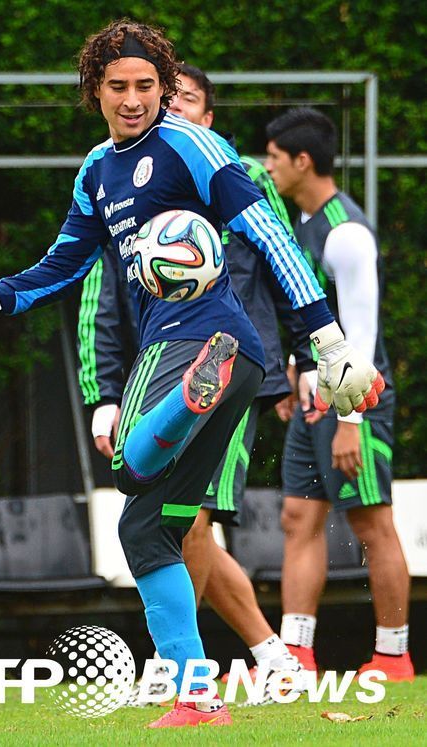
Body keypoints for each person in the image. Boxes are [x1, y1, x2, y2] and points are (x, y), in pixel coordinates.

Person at [0, 21, 384, 729]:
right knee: (148, 529)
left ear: (164, 87)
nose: (133, 100)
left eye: (146, 86)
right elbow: (63, 264)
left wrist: (327, 337)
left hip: (200, 341)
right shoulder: (97, 170)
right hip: (227, 359)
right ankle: (198, 696)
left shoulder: (191, 144)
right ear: (94, 90)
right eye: (118, 87)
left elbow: (269, 233)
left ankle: (188, 400)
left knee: (131, 470)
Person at [78, 63, 316, 703]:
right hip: (165, 367)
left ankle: (177, 667)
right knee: (180, 520)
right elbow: (99, 294)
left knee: (184, 515)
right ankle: (268, 657)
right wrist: (102, 395)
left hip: (233, 366)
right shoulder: (118, 181)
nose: (164, 109)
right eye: (166, 98)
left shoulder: (234, 172)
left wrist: (309, 353)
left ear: (207, 119)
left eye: (182, 100)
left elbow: (282, 256)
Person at [265, 107, 413, 682]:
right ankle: (296, 655)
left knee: (372, 523)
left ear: (303, 161)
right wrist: (296, 374)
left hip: (356, 403)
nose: (268, 167)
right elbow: (315, 319)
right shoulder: (301, 222)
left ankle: (394, 657)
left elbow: (361, 332)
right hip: (316, 401)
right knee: (297, 516)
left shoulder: (345, 232)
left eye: (274, 158)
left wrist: (351, 419)